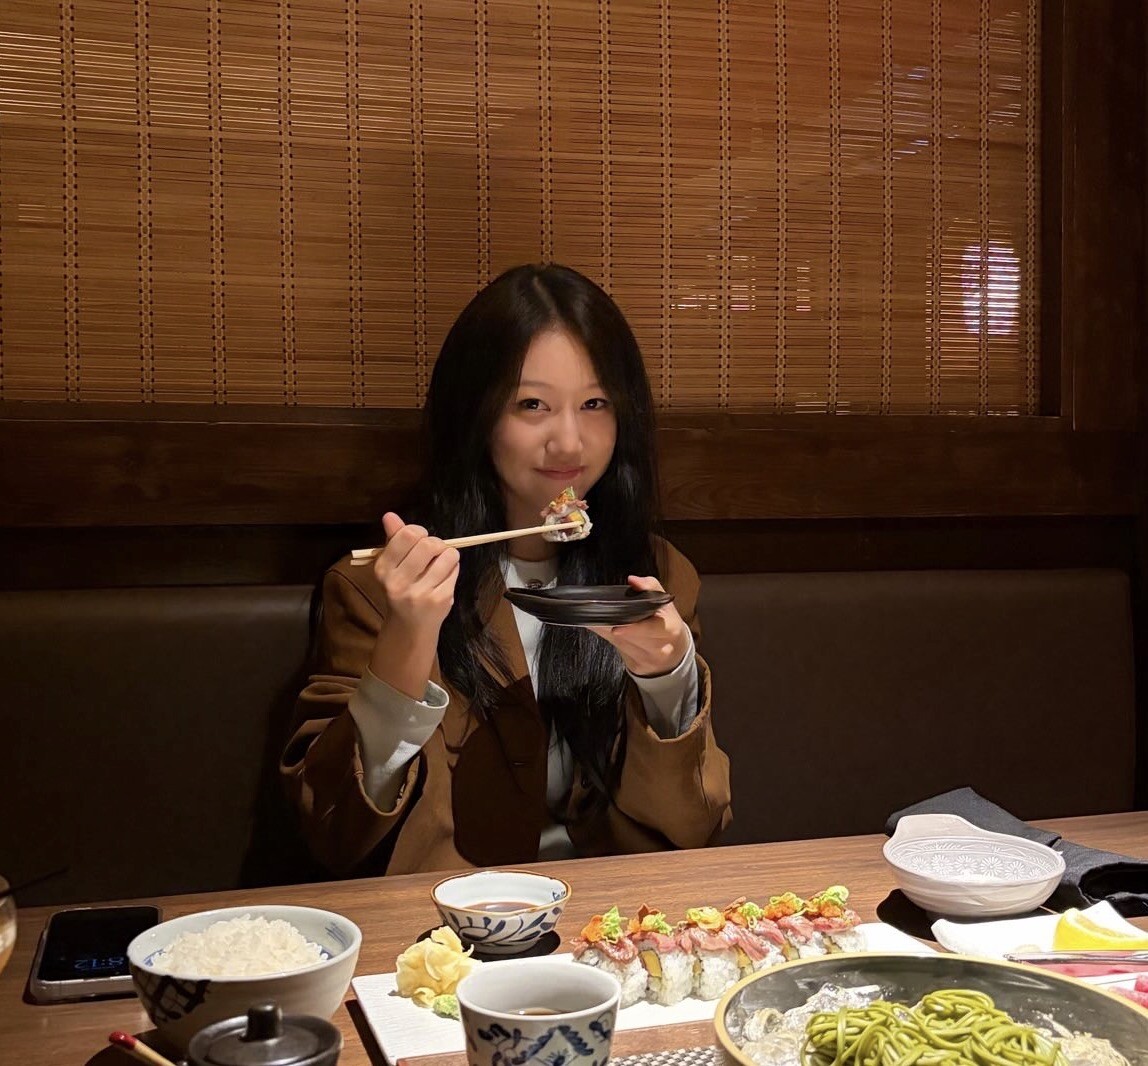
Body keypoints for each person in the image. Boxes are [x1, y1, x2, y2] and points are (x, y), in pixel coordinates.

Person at [281, 263, 731, 876]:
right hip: (452, 917)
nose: (568, 442)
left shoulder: (654, 577)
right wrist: (408, 636)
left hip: (617, 909)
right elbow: (335, 831)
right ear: (477, 414)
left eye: (595, 403)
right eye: (532, 404)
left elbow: (694, 827)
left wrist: (668, 678)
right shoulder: (378, 587)